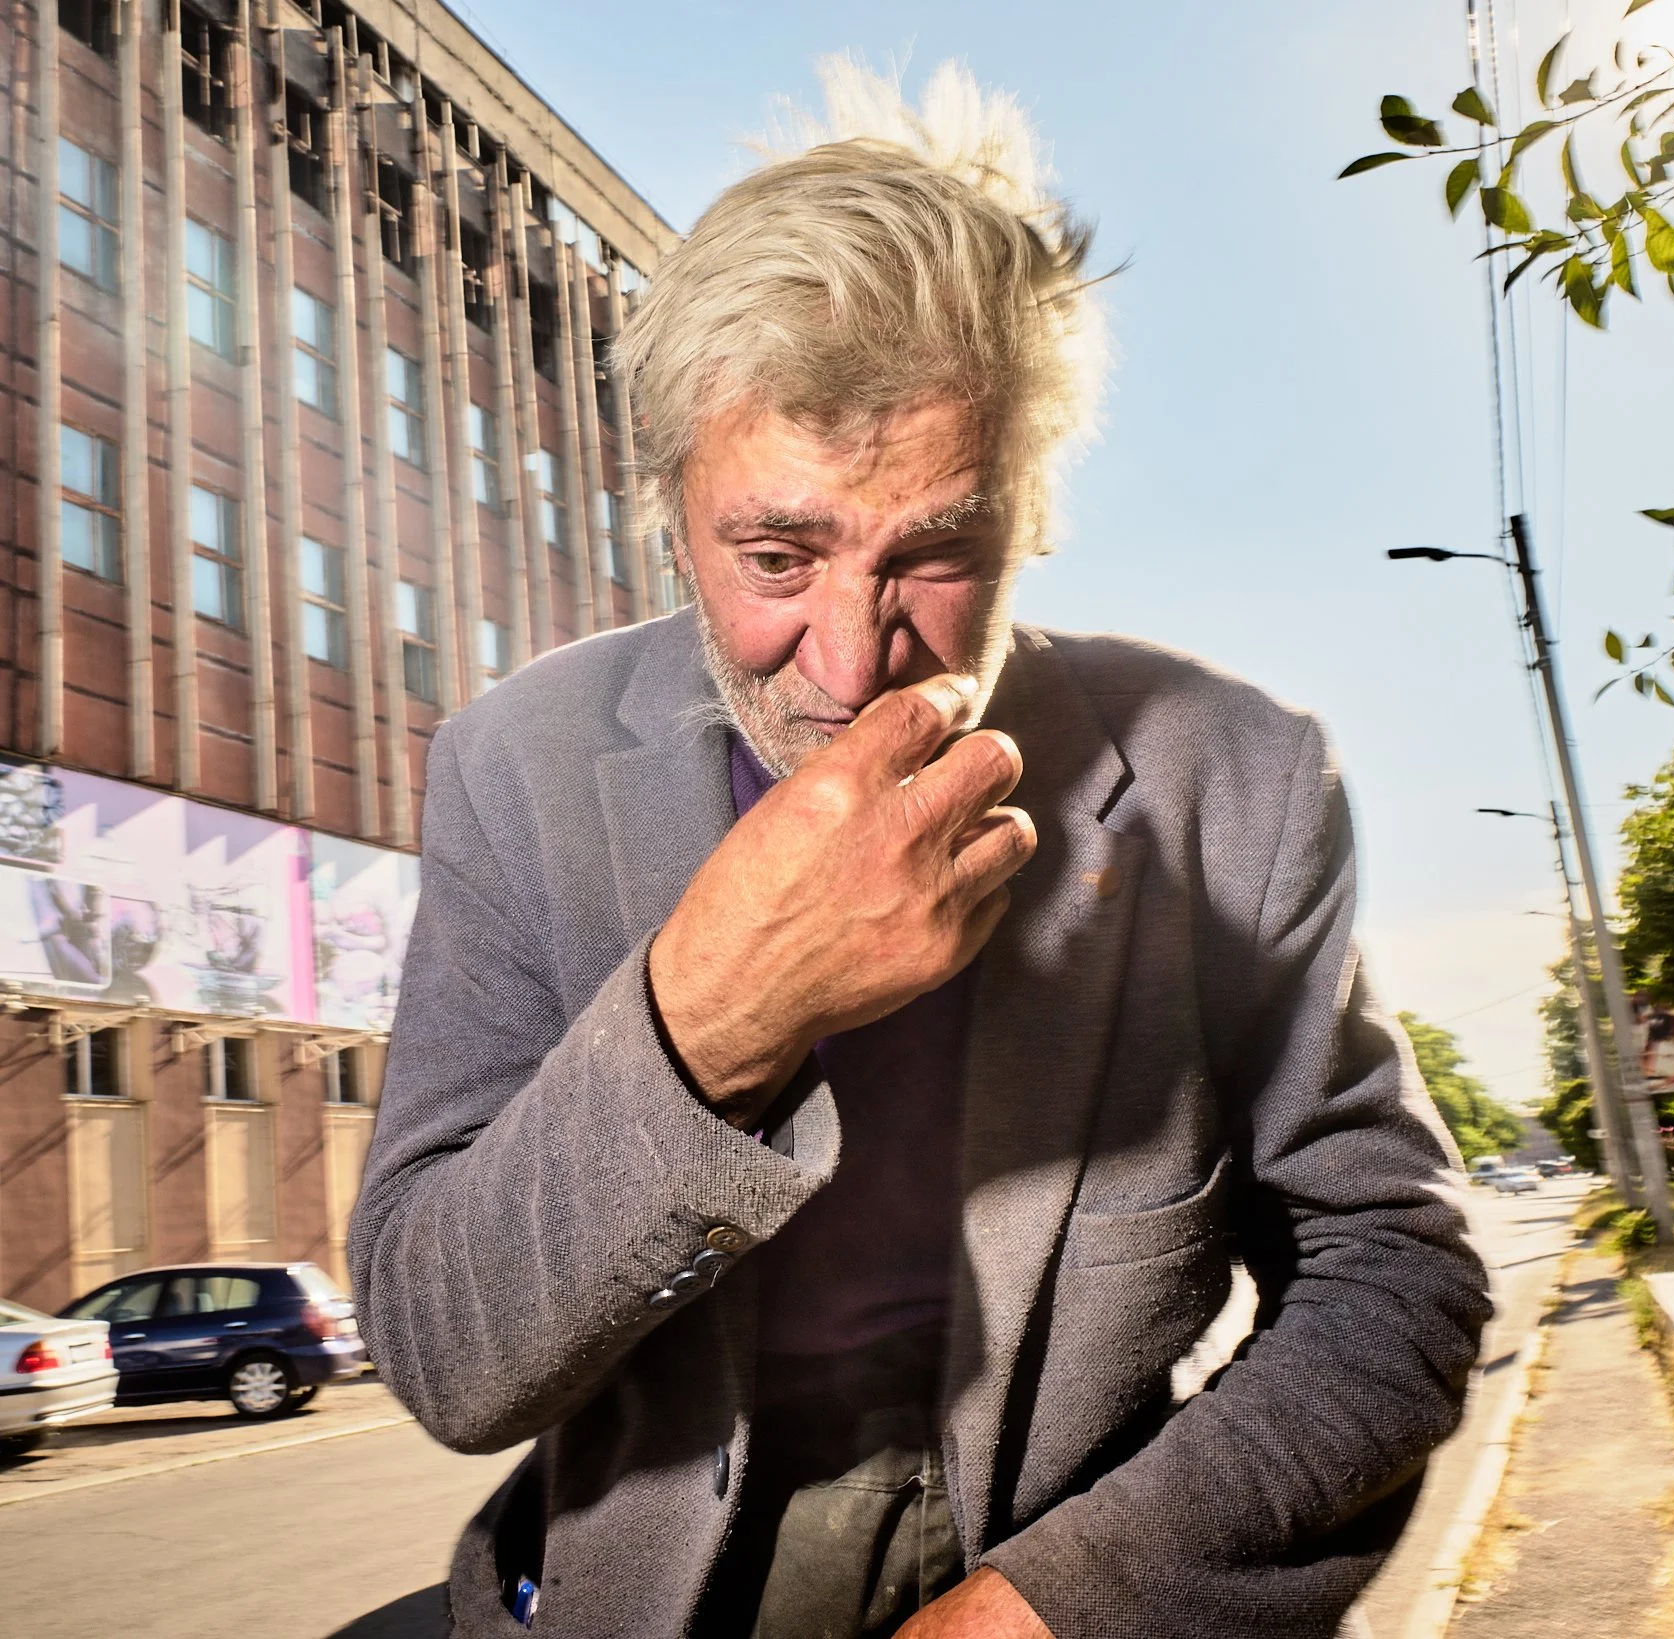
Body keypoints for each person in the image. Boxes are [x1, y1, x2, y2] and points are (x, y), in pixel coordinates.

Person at [350, 59, 1490, 1639]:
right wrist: (714, 1012)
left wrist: (1047, 1612)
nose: (845, 659)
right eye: (775, 553)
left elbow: (1396, 1281)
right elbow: (444, 1351)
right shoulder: (513, 767)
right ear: (670, 510)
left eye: (937, 554)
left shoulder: (1241, 782)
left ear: (1031, 514)